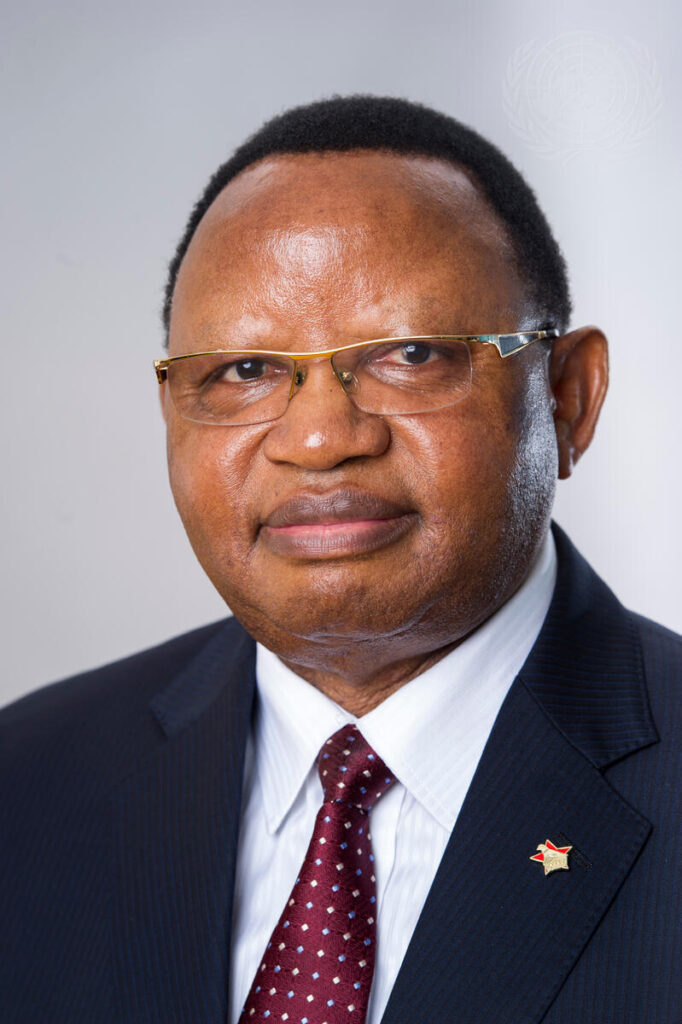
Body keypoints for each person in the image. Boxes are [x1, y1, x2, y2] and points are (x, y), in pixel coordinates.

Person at [1, 96, 679, 1024]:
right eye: (243, 372)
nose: (319, 439)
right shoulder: (28, 783)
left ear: (568, 397)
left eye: (412, 354)